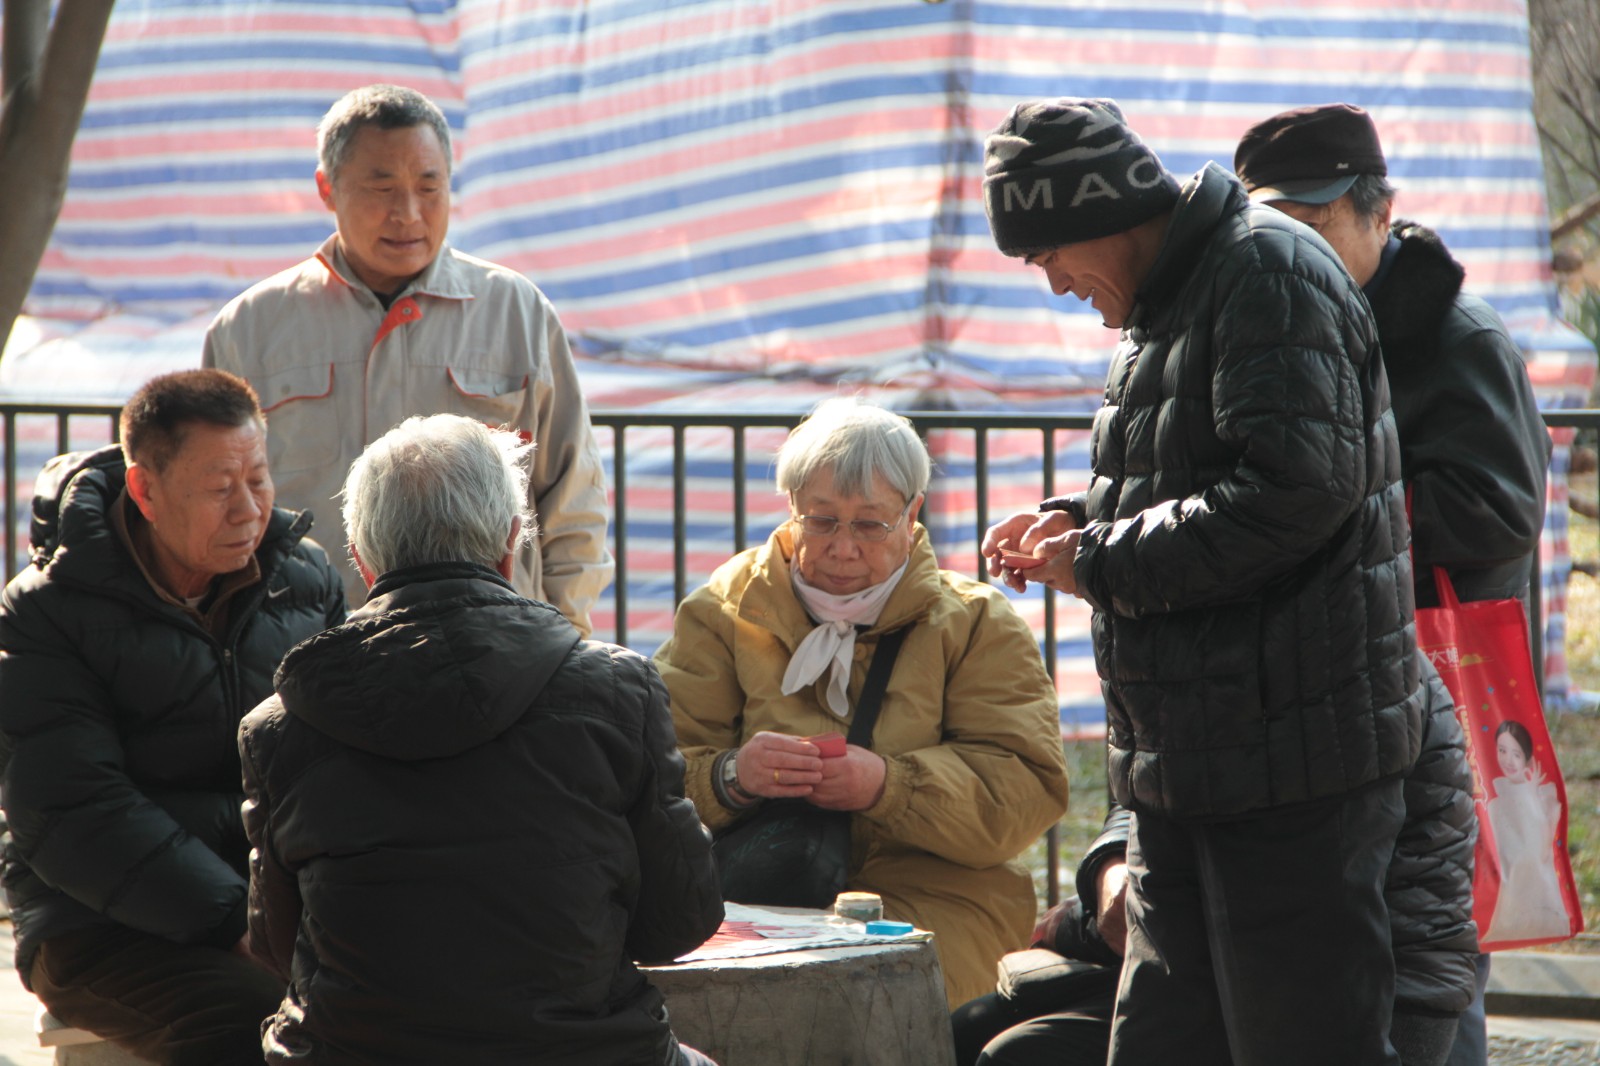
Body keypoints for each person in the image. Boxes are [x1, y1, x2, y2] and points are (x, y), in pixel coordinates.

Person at [979, 98, 1425, 1065]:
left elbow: (1295, 491)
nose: (1055, 285)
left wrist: (1096, 560)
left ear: (1098, 214)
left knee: (1302, 1046)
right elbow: (1189, 477)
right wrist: (1078, 522)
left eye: (1048, 256)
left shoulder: (1263, 268)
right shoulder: (1178, 289)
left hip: (1286, 769)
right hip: (1194, 767)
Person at [238, 413, 723, 1065]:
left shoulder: (278, 728)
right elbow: (680, 921)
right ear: (510, 541)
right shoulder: (618, 690)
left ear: (362, 558)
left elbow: (276, 944)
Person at [1233, 101, 1552, 1066]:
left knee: (1434, 939)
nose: (1297, 244)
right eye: (1277, 224)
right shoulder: (1275, 322)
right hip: (1317, 683)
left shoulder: (1458, 336)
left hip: (1433, 683)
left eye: (1317, 220)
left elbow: (1497, 510)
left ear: (1379, 213)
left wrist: (1322, 506)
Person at [653, 397, 1071, 1010]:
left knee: (879, 1005)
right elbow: (650, 769)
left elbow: (1025, 788)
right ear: (791, 508)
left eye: (870, 525)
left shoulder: (976, 622)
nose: (843, 548)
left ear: (912, 514)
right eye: (821, 521)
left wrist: (889, 786)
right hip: (752, 890)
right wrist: (731, 776)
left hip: (938, 898)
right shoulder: (723, 610)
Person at [0, 369, 347, 1066]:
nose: (249, 510)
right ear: (145, 491)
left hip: (275, 907)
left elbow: (342, 762)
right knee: (262, 1026)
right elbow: (74, 810)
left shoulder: (304, 579)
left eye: (259, 479)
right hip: (95, 919)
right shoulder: (45, 611)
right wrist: (236, 922)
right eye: (220, 489)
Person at [203, 83, 613, 633]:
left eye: (429, 187)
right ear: (327, 188)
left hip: (493, 644)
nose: (408, 214)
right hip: (310, 645)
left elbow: (573, 496)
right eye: (382, 188)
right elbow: (209, 502)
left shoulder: (516, 311)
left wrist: (562, 635)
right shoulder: (249, 329)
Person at [1482, 721, 1568, 944]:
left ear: (1528, 759)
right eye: (1502, 750)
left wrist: (1530, 797)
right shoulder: (1494, 804)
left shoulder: (1544, 797)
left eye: (1516, 754)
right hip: (1507, 905)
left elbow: (1543, 851)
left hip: (1538, 901)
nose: (1508, 760)